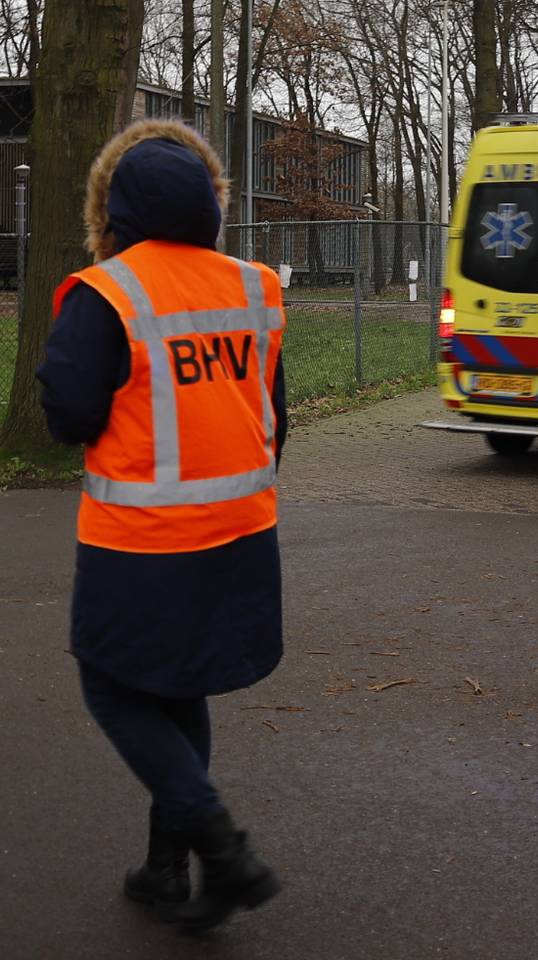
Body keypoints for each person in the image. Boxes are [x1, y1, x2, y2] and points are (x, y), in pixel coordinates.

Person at [37, 120, 287, 934]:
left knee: (112, 684)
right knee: (179, 689)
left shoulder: (108, 290)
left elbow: (68, 415)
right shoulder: (252, 286)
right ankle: (165, 867)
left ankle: (221, 849)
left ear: (118, 210)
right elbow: (272, 415)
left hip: (141, 540)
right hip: (242, 530)